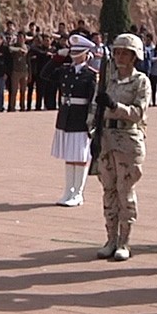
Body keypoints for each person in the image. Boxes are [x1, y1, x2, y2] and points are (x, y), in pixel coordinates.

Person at [89, 33, 151, 261]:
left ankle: (124, 241)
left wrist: (116, 106)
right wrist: (92, 131)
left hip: (127, 139)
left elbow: (138, 113)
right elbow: (94, 109)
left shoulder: (141, 81)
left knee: (125, 192)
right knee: (109, 191)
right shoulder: (107, 80)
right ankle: (110, 238)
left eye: (125, 52)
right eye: (117, 52)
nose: (120, 56)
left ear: (135, 56)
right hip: (106, 138)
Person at [40, 34, 97, 207]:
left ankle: (78, 192)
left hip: (81, 119)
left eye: (78, 52)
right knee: (70, 156)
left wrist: (92, 123)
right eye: (73, 51)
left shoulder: (90, 75)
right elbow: (45, 74)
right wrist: (58, 57)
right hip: (66, 117)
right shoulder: (66, 70)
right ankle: (68, 190)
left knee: (80, 156)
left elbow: (92, 101)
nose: (74, 55)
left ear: (86, 53)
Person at [8, 31, 29, 112]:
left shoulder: (27, 47)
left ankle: (23, 107)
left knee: (23, 91)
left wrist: (29, 73)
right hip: (15, 71)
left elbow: (28, 60)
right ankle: (12, 107)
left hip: (24, 71)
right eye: (19, 37)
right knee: (14, 90)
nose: (20, 39)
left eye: (22, 37)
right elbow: (9, 48)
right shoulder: (14, 47)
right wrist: (18, 49)